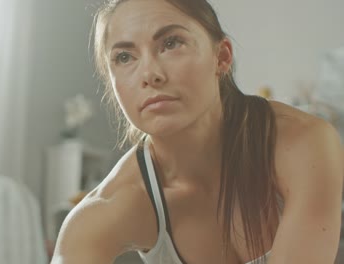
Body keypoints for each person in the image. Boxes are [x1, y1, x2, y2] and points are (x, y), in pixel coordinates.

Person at [51, 0, 344, 263]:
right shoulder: (102, 213)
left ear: (222, 57)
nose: (150, 74)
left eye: (171, 43)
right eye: (125, 57)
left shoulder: (304, 141)